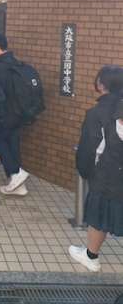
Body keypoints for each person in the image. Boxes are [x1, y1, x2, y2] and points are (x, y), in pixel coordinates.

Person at [69, 65, 123, 273]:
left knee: (99, 214)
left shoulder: (97, 113)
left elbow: (90, 149)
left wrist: (85, 170)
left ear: (101, 85)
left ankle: (91, 257)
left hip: (108, 174)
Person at [0, 34, 29, 195]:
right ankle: (19, 186)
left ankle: (16, 174)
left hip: (5, 113)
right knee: (13, 145)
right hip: (20, 113)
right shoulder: (17, 63)